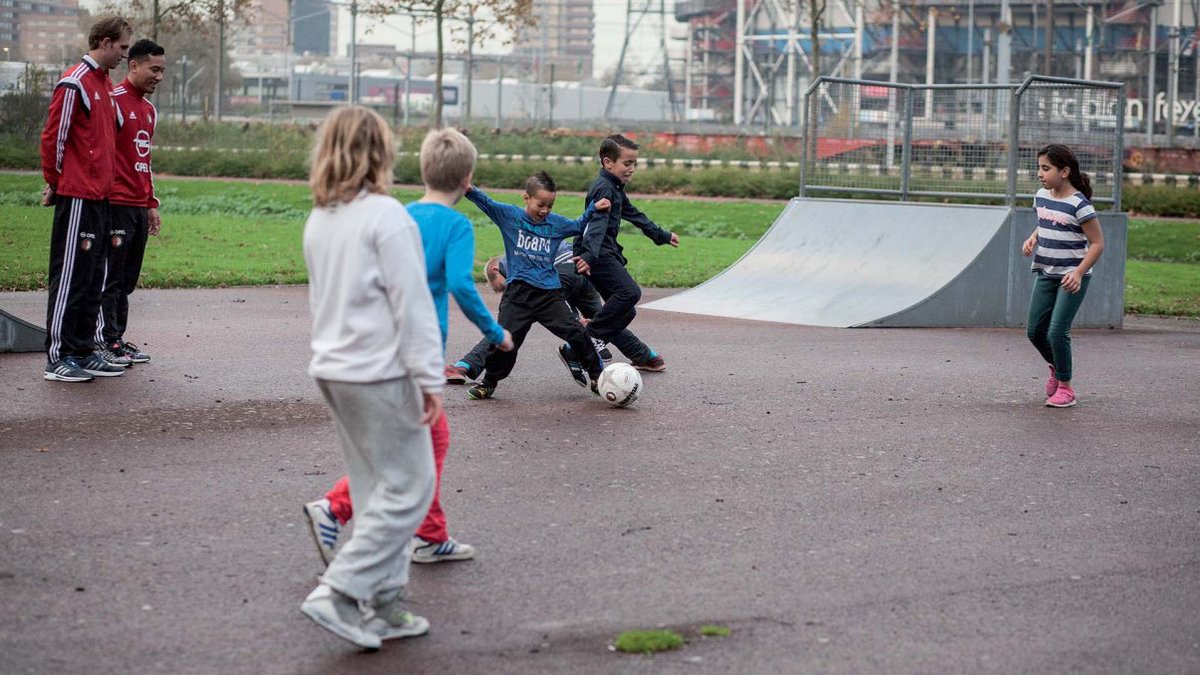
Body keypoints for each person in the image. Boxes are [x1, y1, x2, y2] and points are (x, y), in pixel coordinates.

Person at [302, 128, 514, 572]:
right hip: (419, 349)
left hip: (384, 343)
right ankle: (337, 509)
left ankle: (429, 535)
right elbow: (459, 283)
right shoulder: (457, 225)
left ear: (422, 170)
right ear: (468, 178)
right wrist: (495, 331)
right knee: (414, 447)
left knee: (424, 440)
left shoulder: (401, 215)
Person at [298, 107, 442, 649]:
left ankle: (383, 604)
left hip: (334, 369)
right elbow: (413, 305)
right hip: (378, 372)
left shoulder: (322, 217)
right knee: (410, 486)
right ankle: (338, 592)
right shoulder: (387, 216)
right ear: (380, 152)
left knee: (376, 486)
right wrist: (429, 377)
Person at [459, 171, 611, 400]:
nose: (545, 210)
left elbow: (578, 226)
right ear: (526, 198)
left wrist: (593, 209)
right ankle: (489, 382)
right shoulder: (509, 215)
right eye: (541, 204)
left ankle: (596, 376)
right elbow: (486, 203)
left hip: (548, 295)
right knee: (504, 342)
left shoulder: (556, 223)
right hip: (517, 296)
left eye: (550, 205)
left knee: (577, 333)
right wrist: (468, 189)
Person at [39, 16, 132, 382]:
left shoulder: (104, 86)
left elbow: (111, 139)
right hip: (78, 196)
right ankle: (58, 355)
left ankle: (83, 349)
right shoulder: (75, 81)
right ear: (106, 42)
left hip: (102, 196)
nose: (125, 55)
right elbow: (53, 139)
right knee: (70, 276)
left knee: (94, 276)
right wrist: (57, 182)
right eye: (123, 48)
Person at [445, 241, 663, 385]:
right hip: (582, 272)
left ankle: (465, 366)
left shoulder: (509, 262)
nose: (505, 291)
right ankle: (648, 357)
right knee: (604, 320)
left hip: (559, 275)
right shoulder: (536, 245)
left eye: (501, 287)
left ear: (495, 270)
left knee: (508, 327)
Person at [569, 134, 678, 374]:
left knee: (625, 310)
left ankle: (577, 349)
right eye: (627, 163)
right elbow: (595, 225)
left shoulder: (615, 187)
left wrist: (661, 235)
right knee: (630, 293)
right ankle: (587, 341)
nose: (632, 169)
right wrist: (587, 256)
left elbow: (634, 214)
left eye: (635, 163)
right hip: (596, 254)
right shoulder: (604, 189)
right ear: (608, 163)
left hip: (601, 252)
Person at [93, 38, 165, 366]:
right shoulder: (113, 101)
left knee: (127, 279)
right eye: (154, 69)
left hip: (138, 205)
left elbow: (144, 160)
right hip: (115, 203)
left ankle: (117, 337)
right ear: (133, 65)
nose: (159, 76)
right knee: (111, 276)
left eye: (163, 70)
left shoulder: (149, 111)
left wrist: (150, 203)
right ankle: (104, 341)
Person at [1021, 143, 1105, 408]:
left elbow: (1098, 243)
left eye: (1046, 168)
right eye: (1039, 168)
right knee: (1035, 331)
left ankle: (1066, 388)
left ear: (1065, 171)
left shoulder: (1080, 205)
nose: (1040, 173)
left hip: (1072, 277)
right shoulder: (1041, 196)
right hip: (1046, 272)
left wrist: (1079, 273)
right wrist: (1033, 237)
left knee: (1057, 332)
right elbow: (1046, 221)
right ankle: (1056, 369)